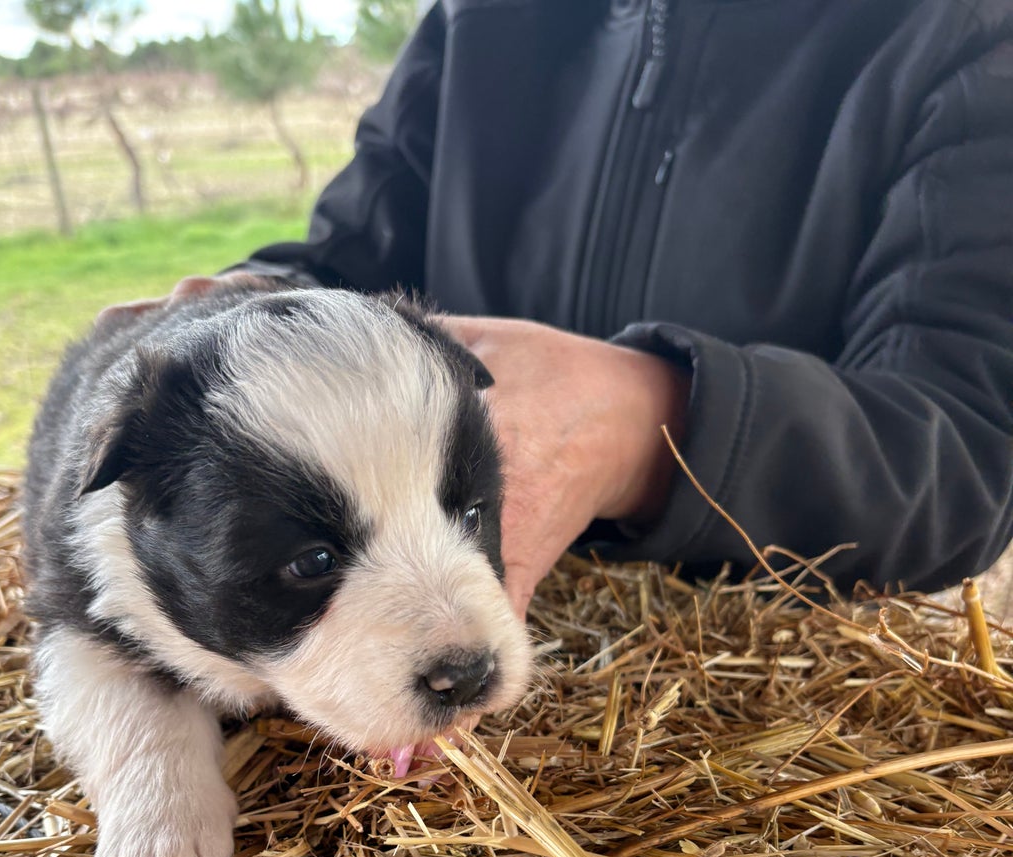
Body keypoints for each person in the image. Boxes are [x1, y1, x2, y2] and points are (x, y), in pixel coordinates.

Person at [106, 0, 1013, 616]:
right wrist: (251, 305)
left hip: (782, 655)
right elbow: (349, 259)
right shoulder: (477, 18)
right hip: (420, 581)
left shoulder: (971, 35)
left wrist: (642, 427)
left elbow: (968, 452)